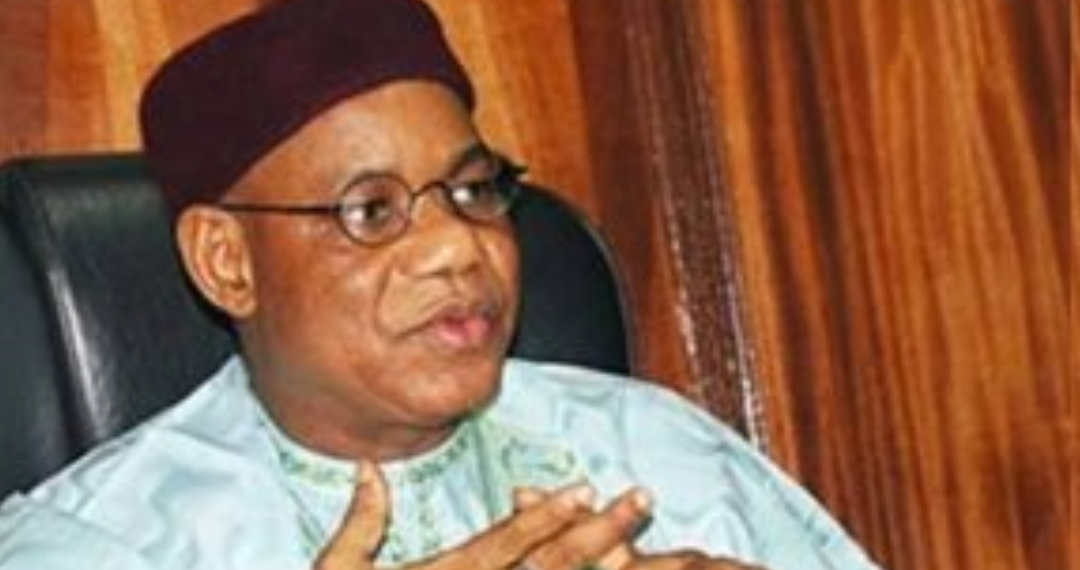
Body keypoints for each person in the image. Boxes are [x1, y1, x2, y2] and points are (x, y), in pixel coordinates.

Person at [0, 0, 882, 569]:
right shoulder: (91, 544)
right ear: (227, 261)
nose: (459, 248)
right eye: (371, 210)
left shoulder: (658, 452)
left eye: (473, 190)